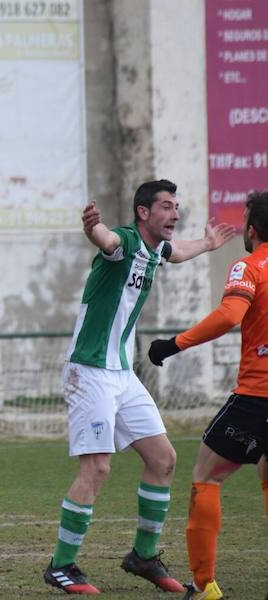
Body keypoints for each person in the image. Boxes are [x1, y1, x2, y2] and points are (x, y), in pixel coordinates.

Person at [43, 180, 236, 595]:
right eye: (166, 207)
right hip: (89, 371)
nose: (175, 214)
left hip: (121, 375)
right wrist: (92, 228)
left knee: (164, 459)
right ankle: (61, 566)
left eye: (176, 206)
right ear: (144, 212)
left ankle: (143, 557)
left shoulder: (156, 250)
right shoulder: (128, 242)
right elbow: (106, 239)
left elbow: (177, 251)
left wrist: (205, 243)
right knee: (97, 467)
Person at [148, 190, 268, 600]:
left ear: (251, 230)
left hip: (257, 397)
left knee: (206, 477)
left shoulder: (249, 267)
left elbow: (231, 315)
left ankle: (204, 586)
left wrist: (174, 343)